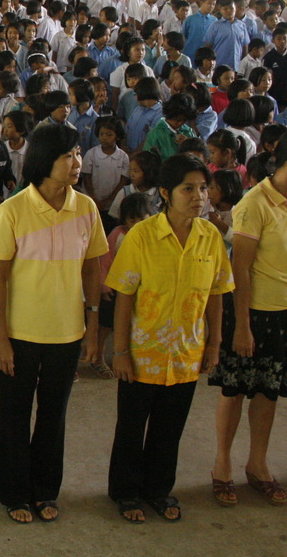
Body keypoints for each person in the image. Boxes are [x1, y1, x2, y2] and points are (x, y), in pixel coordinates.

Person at [0, 122, 108, 523]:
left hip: (67, 332)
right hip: (20, 333)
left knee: (54, 416)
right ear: (43, 160)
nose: (77, 162)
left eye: (78, 153)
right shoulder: (13, 210)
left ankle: (44, 490)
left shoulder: (86, 208)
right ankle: (14, 494)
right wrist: (1, 339)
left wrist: (92, 328)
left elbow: (92, 270)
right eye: (67, 155)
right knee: (15, 416)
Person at [106, 155, 233, 523]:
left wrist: (213, 344)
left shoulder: (210, 237)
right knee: (131, 427)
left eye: (203, 188)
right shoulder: (142, 236)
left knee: (170, 428)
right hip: (142, 352)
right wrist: (120, 351)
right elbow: (124, 296)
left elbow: (216, 295)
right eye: (188, 188)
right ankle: (126, 492)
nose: (199, 196)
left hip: (186, 353)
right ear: (165, 192)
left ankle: (158, 490)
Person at [209, 127, 287, 507]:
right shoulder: (254, 204)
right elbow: (240, 269)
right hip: (254, 313)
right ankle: (222, 464)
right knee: (234, 390)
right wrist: (242, 326)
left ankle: (257, 464)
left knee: (268, 391)